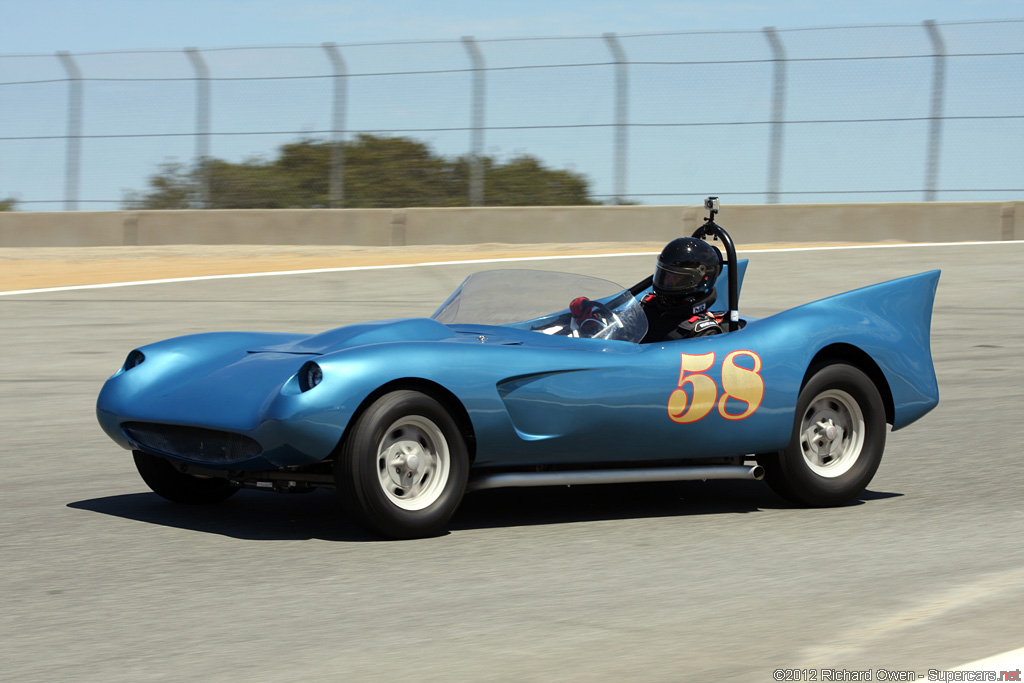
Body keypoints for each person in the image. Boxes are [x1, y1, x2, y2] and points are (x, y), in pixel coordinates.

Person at [639, 237, 724, 343]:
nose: (668, 282)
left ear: (695, 281)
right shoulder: (648, 307)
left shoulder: (702, 332)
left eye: (676, 278)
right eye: (666, 276)